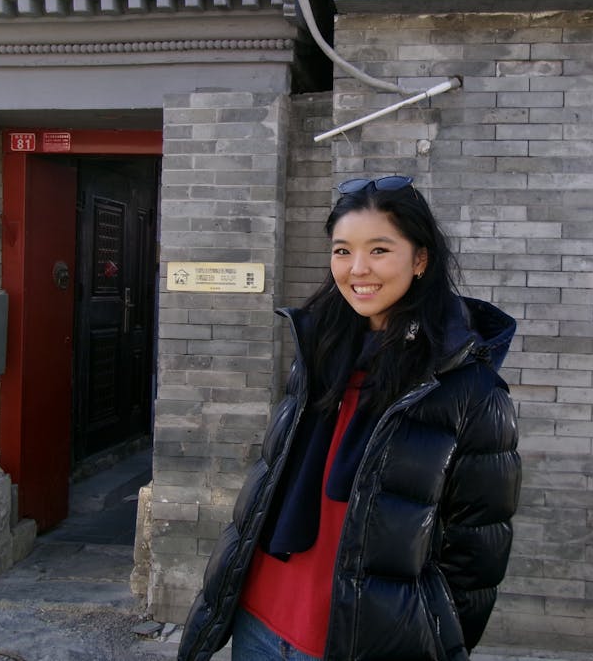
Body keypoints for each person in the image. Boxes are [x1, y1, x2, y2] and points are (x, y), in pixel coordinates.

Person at [178, 175, 521, 661]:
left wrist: (423, 639)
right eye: (342, 251)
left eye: (379, 250)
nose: (358, 269)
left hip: (365, 645)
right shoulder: (318, 354)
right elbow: (266, 485)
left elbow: (477, 554)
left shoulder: (468, 389)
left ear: (420, 259)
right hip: (259, 624)